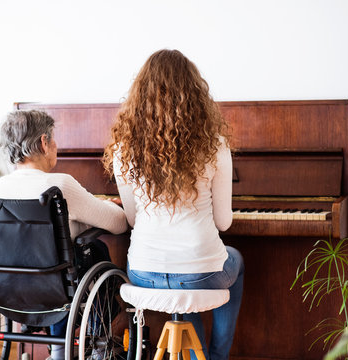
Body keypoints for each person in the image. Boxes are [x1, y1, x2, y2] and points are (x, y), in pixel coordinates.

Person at [103, 49, 244, 360]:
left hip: (142, 272)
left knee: (183, 280)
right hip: (198, 272)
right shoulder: (215, 146)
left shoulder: (124, 150)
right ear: (195, 94)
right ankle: (216, 356)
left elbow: (133, 218)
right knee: (233, 261)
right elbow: (224, 224)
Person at [0, 110, 128, 360]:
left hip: (13, 286)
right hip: (58, 282)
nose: (56, 145)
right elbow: (119, 224)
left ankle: (58, 351)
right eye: (53, 139)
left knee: (60, 257)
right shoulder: (61, 185)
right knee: (94, 251)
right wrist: (107, 207)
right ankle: (103, 334)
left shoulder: (1, 187)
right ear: (44, 142)